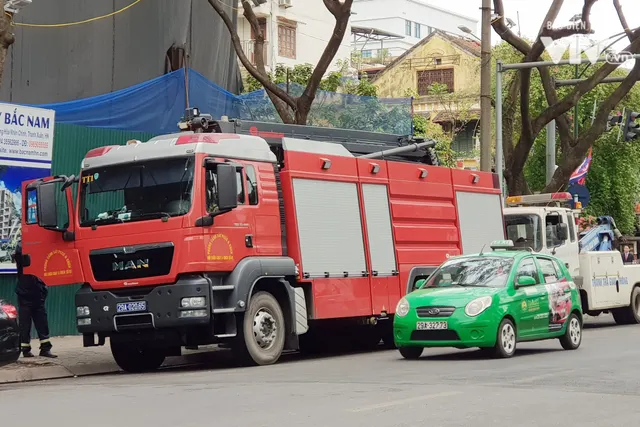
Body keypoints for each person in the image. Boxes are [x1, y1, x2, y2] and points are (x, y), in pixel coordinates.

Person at [12, 241, 57, 358]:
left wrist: (43, 290)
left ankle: (45, 349)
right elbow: (19, 252)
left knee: (42, 323)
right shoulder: (21, 252)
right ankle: (25, 350)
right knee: (25, 324)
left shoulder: (40, 255)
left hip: (37, 295)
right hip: (25, 295)